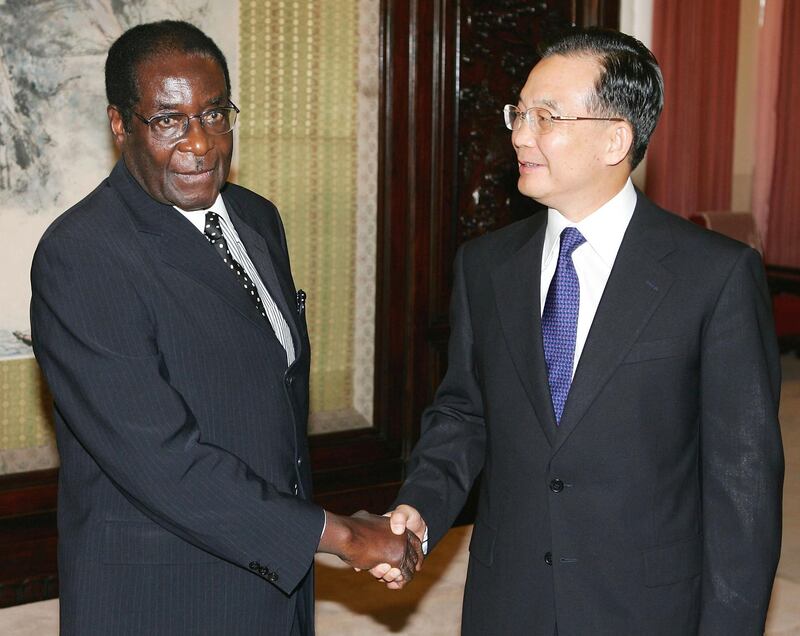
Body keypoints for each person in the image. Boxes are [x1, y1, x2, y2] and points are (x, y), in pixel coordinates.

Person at [374, 27, 784, 635]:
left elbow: (742, 486)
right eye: (519, 112)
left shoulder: (714, 276)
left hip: (645, 607)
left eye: (546, 116)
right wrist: (420, 507)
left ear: (615, 138)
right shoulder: (486, 265)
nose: (518, 133)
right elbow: (464, 414)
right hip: (509, 599)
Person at [30, 20, 420, 636]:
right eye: (168, 120)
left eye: (214, 114)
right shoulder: (83, 254)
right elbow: (161, 459)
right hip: (162, 600)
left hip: (275, 589)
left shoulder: (257, 219)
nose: (201, 143)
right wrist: (341, 535)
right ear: (119, 124)